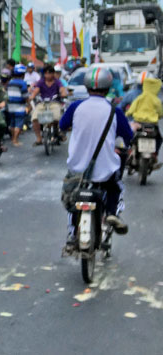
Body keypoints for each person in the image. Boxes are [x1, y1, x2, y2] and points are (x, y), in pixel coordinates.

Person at [60, 66, 133, 250]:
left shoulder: (75, 107)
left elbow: (62, 125)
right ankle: (111, 212)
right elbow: (128, 136)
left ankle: (71, 234)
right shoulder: (114, 110)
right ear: (108, 88)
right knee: (116, 187)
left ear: (86, 86)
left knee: (72, 200)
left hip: (78, 170)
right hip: (105, 171)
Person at [126, 72, 163, 167]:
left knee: (130, 136)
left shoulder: (139, 97)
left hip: (138, 123)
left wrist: (128, 114)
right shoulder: (156, 99)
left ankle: (130, 152)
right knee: (159, 139)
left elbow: (131, 110)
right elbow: (160, 112)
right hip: (152, 125)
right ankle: (154, 154)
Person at [31, 65, 68, 146]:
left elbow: (62, 90)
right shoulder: (41, 82)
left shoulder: (57, 82)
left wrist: (63, 94)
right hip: (42, 103)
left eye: (50, 73)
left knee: (56, 117)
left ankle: (57, 131)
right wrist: (32, 96)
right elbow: (35, 91)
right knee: (34, 118)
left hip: (54, 103)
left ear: (53, 74)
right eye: (46, 73)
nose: (48, 75)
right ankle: (39, 138)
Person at [5, 64, 29, 146]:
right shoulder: (23, 83)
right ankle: (15, 140)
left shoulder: (10, 82)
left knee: (12, 123)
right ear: (23, 74)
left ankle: (13, 139)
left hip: (10, 106)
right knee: (19, 124)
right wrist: (29, 105)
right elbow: (25, 96)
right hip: (19, 106)